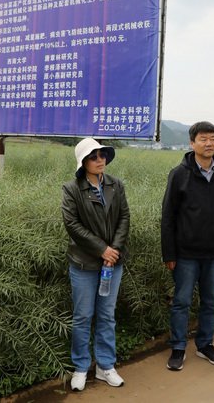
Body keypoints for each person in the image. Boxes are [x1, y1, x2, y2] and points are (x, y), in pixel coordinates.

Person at [161, 121, 214, 371]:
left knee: (211, 301)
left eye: (213, 138)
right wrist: (169, 253)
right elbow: (168, 216)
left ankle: (205, 344)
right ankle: (179, 347)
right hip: (185, 254)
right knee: (182, 301)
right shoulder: (179, 174)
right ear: (192, 143)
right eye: (203, 139)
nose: (209, 143)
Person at [61, 138, 130, 392]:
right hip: (84, 263)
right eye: (93, 156)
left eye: (102, 155)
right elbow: (72, 224)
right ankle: (80, 367)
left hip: (113, 263)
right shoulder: (72, 189)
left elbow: (124, 217)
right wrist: (102, 249)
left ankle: (105, 366)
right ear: (83, 163)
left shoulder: (115, 185)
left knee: (106, 315)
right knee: (82, 316)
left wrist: (114, 250)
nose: (100, 159)